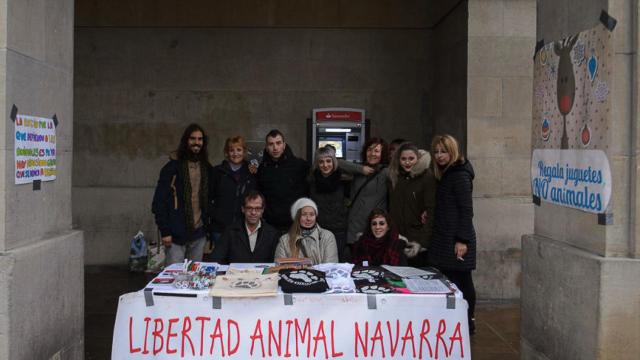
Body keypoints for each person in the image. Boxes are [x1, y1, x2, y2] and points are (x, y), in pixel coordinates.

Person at [429, 134, 477, 334]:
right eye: (437, 152)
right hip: (445, 236)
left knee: (462, 281)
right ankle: (456, 320)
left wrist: (462, 240)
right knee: (450, 280)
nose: (440, 156)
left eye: (444, 151)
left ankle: (468, 321)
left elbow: (466, 209)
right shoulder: (447, 173)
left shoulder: (459, 175)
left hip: (457, 238)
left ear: (453, 151)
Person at [151, 123, 213, 265]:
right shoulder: (172, 168)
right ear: (186, 141)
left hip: (199, 234)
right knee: (174, 279)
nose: (196, 142)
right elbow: (158, 202)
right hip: (175, 235)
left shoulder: (207, 168)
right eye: (193, 139)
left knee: (194, 278)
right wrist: (165, 231)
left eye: (200, 139)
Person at [388, 142, 436, 266]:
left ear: (418, 159)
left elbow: (431, 210)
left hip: (417, 240)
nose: (407, 162)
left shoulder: (427, 177)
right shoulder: (394, 177)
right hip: (397, 238)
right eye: (403, 159)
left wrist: (423, 242)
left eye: (411, 158)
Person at [339, 137, 390, 247]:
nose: (372, 154)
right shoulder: (358, 170)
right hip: (354, 227)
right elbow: (337, 163)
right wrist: (360, 169)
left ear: (383, 154)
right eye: (369, 150)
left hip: (375, 226)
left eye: (376, 151)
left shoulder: (386, 172)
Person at [257, 129, 309, 232]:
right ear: (267, 147)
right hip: (270, 224)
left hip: (294, 224)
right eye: (271, 144)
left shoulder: (299, 165)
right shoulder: (262, 169)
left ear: (284, 145)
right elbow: (260, 194)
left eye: (278, 143)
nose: (275, 147)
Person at [210, 136, 256, 248]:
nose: (235, 153)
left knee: (241, 261)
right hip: (220, 228)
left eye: (239, 150)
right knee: (221, 261)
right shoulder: (217, 172)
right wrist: (214, 217)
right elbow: (209, 197)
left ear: (244, 152)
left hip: (244, 227)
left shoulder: (251, 173)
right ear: (226, 153)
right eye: (231, 150)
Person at [210, 191, 280, 264]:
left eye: (258, 208)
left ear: (263, 210)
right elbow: (215, 260)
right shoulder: (230, 232)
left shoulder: (272, 234)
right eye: (249, 208)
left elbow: (276, 264)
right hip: (234, 275)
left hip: (262, 275)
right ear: (243, 209)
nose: (253, 212)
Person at [308, 145, 348, 261]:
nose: (325, 165)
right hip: (318, 229)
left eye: (328, 161)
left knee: (336, 262)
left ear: (334, 161)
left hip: (339, 230)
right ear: (317, 163)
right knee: (318, 262)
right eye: (321, 162)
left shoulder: (344, 180)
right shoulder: (312, 181)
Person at [274, 198, 338, 265]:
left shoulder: (327, 237)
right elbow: (280, 267)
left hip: (321, 275)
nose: (308, 218)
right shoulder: (284, 240)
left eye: (312, 214)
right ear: (297, 217)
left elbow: (330, 266)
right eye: (304, 215)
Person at [351, 209, 422, 266]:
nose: (377, 227)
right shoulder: (361, 243)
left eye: (381, 223)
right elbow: (354, 268)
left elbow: (403, 271)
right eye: (374, 224)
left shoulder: (397, 244)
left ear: (388, 227)